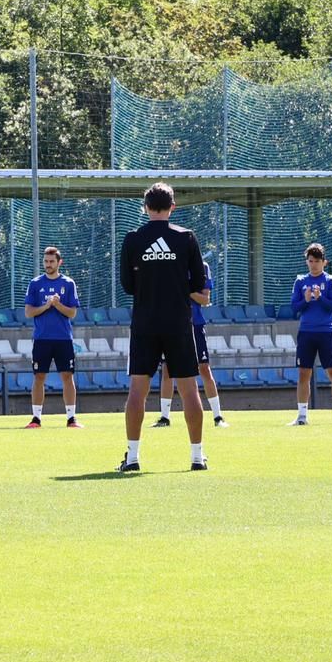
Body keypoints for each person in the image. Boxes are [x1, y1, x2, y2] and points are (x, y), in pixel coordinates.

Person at [118, 183, 208, 473]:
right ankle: (197, 457)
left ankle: (132, 457)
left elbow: (127, 285)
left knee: (137, 390)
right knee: (190, 390)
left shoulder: (133, 239)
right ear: (173, 206)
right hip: (179, 322)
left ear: (145, 207)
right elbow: (198, 284)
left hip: (144, 322)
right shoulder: (186, 238)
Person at [156, 260, 228, 430]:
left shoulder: (202, 267)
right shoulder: (169, 265)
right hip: (172, 326)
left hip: (195, 325)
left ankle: (218, 416)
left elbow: (204, 299)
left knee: (204, 369)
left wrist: (185, 288)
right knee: (167, 371)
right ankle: (164, 418)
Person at [289, 244, 332, 427]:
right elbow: (294, 308)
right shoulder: (300, 281)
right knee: (303, 374)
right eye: (310, 261)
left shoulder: (331, 281)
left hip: (326, 332)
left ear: (324, 262)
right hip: (306, 332)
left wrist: (320, 297)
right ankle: (301, 416)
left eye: (317, 261)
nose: (313, 265)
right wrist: (305, 300)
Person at [23, 245, 81, 429]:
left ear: (59, 262)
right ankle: (36, 418)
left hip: (63, 338)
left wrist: (58, 305)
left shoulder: (68, 283)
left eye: (51, 261)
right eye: (46, 261)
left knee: (67, 376)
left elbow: (72, 313)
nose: (48, 265)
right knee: (39, 376)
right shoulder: (35, 283)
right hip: (41, 338)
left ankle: (71, 418)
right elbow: (29, 312)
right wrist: (46, 306)